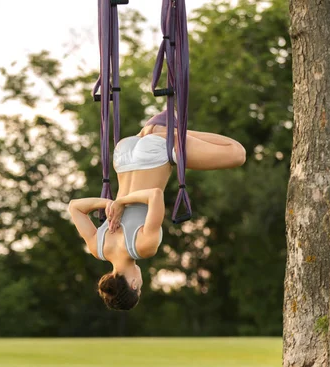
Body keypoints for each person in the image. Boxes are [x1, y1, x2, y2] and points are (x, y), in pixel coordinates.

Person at [68, 111, 246, 311]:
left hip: (154, 154)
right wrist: (110, 203)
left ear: (134, 285)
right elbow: (75, 207)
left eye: (140, 289)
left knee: (237, 154)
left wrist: (120, 202)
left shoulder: (143, 248)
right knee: (169, 125)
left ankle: (168, 133)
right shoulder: (97, 248)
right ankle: (157, 131)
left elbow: (154, 195)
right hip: (123, 154)